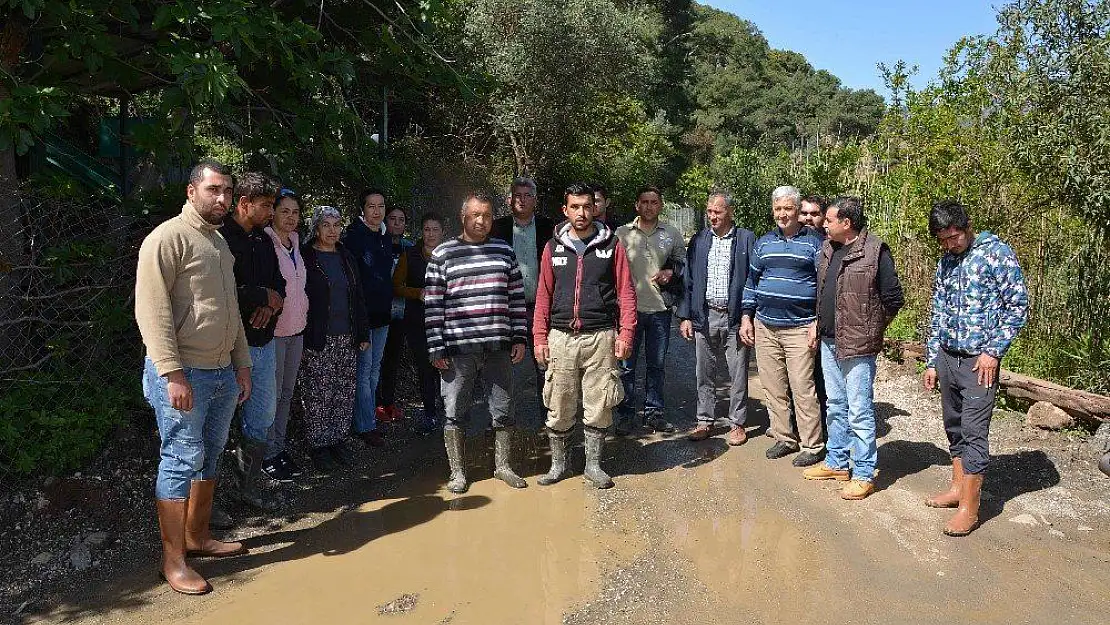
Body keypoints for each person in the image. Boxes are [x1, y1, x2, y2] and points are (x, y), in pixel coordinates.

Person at [136, 159, 251, 595]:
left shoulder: (220, 244)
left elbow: (232, 311)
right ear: (191, 191)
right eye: (213, 190)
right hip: (184, 374)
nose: (221, 199)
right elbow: (151, 311)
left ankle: (197, 537)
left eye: (226, 191)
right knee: (181, 457)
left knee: (211, 452)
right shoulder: (167, 239)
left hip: (222, 372)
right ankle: (173, 560)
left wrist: (242, 363)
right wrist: (171, 373)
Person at [922, 199, 1028, 536]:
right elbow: (938, 309)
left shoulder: (996, 254)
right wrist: (931, 359)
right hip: (947, 357)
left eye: (954, 237)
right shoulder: (946, 261)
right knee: (953, 426)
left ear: (967, 227)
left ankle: (970, 507)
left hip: (979, 362)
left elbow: (1017, 306)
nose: (949, 245)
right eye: (942, 240)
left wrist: (993, 351)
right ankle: (956, 489)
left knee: (973, 431)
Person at [532, 183, 637, 488]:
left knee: (599, 404)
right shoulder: (553, 247)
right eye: (574, 207)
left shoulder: (612, 245)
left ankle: (593, 465)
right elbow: (543, 295)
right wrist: (539, 337)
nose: (581, 213)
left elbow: (626, 292)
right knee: (559, 403)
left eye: (586, 206)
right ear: (565, 210)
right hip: (561, 338)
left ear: (596, 208)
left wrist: (626, 333)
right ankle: (558, 465)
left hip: (601, 336)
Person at [425, 193, 529, 493]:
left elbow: (516, 300)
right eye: (474, 215)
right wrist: (436, 347)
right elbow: (433, 305)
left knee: (503, 408)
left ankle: (503, 466)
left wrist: (519, 336)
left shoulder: (504, 251)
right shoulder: (443, 254)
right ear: (463, 217)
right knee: (454, 410)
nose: (481, 221)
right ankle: (458, 472)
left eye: (486, 215)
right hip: (457, 350)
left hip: (498, 346)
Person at [802, 197, 904, 501]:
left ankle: (862, 472)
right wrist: (818, 324)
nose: (824, 223)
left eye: (830, 220)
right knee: (835, 406)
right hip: (829, 341)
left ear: (846, 223)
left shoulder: (875, 251)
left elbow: (893, 299)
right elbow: (824, 293)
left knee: (859, 410)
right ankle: (836, 463)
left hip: (858, 346)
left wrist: (870, 330)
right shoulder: (828, 249)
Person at [740, 185, 825, 467]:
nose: (782, 214)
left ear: (797, 211)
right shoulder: (763, 243)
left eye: (788, 209)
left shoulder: (814, 243)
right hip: (766, 325)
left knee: (803, 387)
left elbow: (824, 286)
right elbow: (752, 283)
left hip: (801, 327)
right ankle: (784, 437)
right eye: (778, 209)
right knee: (773, 387)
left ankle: (813, 445)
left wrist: (817, 322)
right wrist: (746, 317)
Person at [218, 172, 285, 514]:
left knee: (261, 416)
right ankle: (210, 501)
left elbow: (279, 284)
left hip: (264, 340)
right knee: (219, 422)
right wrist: (264, 296)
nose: (270, 213)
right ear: (243, 203)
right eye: (265, 206)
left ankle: (249, 487)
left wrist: (271, 305)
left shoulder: (263, 240)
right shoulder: (220, 238)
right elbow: (221, 289)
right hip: (229, 347)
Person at [679, 191, 756, 446]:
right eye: (709, 211)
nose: (712, 216)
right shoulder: (700, 239)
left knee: (738, 373)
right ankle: (704, 420)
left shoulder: (746, 239)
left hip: (734, 317)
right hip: (705, 315)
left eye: (718, 212)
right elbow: (688, 280)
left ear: (730, 212)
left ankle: (737, 423)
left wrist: (748, 315)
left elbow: (752, 280)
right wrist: (687, 315)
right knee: (704, 371)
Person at [299, 206, 371, 473]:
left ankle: (337, 439)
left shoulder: (346, 256)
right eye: (326, 225)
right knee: (318, 391)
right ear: (316, 228)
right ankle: (318, 445)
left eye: (337, 225)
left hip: (347, 335)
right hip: (318, 336)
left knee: (343, 390)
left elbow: (358, 296)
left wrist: (362, 332)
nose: (332, 230)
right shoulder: (306, 257)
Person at [614, 186, 685, 435]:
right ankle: (625, 414)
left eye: (654, 202)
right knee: (626, 366)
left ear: (661, 205)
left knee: (656, 365)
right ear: (637, 205)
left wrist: (671, 272)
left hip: (659, 310)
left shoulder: (672, 234)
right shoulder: (622, 234)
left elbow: (682, 264)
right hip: (628, 312)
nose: (649, 206)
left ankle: (654, 413)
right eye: (644, 202)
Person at [491, 176, 555, 416]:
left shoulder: (549, 227)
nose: (523, 200)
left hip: (541, 307)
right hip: (506, 309)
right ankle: (502, 418)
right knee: (504, 366)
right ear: (510, 199)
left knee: (544, 364)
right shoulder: (498, 228)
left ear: (535, 200)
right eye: (518, 195)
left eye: (528, 195)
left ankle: (549, 417)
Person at [262, 188, 309, 483]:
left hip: (297, 330)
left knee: (287, 394)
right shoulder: (266, 242)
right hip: (275, 333)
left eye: (295, 212)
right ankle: (266, 455)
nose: (290, 218)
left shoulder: (295, 243)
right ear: (273, 213)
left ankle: (278, 448)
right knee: (272, 395)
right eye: (284, 211)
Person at [343, 188, 392, 448]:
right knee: (363, 372)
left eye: (380, 206)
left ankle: (367, 418)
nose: (376, 211)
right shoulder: (354, 237)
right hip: (362, 316)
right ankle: (364, 425)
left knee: (374, 370)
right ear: (363, 209)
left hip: (383, 314)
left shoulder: (385, 236)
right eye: (371, 206)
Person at [392, 212, 447, 435]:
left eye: (435, 230)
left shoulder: (449, 254)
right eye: (427, 229)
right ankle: (430, 414)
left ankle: (450, 412)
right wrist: (417, 293)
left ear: (442, 232)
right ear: (421, 231)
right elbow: (396, 285)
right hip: (417, 321)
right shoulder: (410, 255)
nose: (430, 234)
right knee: (425, 369)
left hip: (446, 321)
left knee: (444, 368)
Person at [377, 206, 415, 422]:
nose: (397, 223)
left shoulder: (408, 248)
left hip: (400, 312)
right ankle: (375, 404)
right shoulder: (376, 244)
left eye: (401, 220)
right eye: (393, 219)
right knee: (375, 362)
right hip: (379, 311)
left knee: (392, 359)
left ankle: (388, 401)